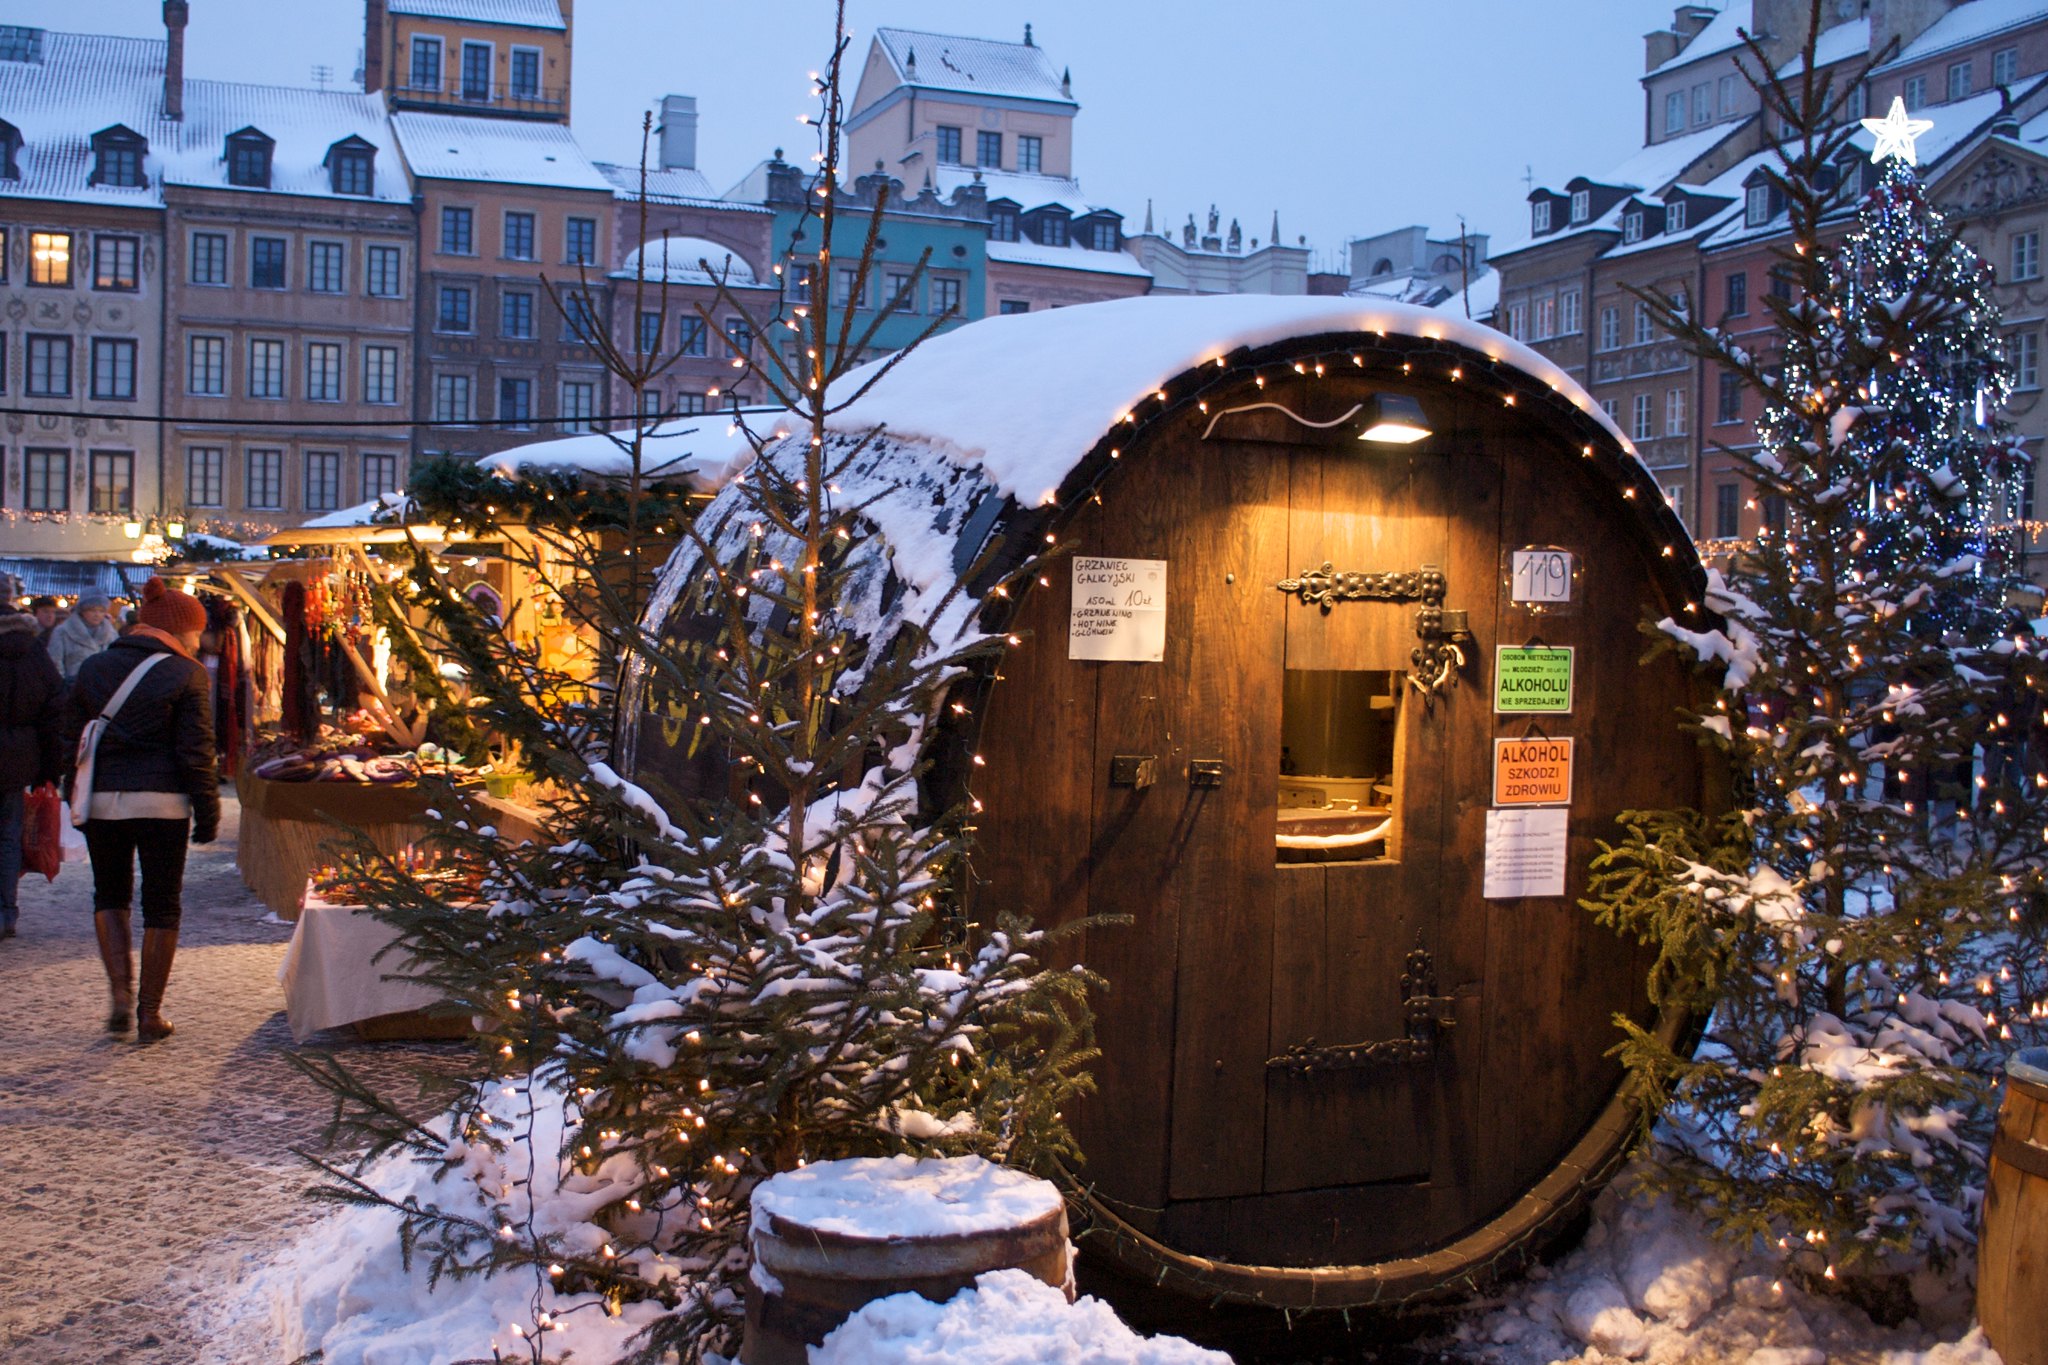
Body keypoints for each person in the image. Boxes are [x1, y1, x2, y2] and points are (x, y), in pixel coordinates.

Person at [64, 578, 219, 1039]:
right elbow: (196, 751)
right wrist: (207, 809)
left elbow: (68, 735)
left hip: (103, 799)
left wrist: (66, 788)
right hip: (163, 803)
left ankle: (118, 997)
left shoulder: (94, 668)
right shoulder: (187, 673)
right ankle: (149, 1013)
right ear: (176, 629)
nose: (198, 639)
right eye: (194, 630)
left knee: (109, 894)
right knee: (162, 904)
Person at [0, 602, 65, 939]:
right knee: (9, 837)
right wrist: (50, 769)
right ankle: (5, 913)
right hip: (18, 758)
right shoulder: (35, 653)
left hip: (18, 754)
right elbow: (54, 711)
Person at [46, 592, 119, 682]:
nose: (97, 614)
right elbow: (55, 663)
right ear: (82, 611)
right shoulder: (63, 631)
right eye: (92, 610)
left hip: (102, 687)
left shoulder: (111, 634)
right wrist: (62, 687)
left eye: (101, 611)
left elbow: (115, 663)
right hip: (72, 687)